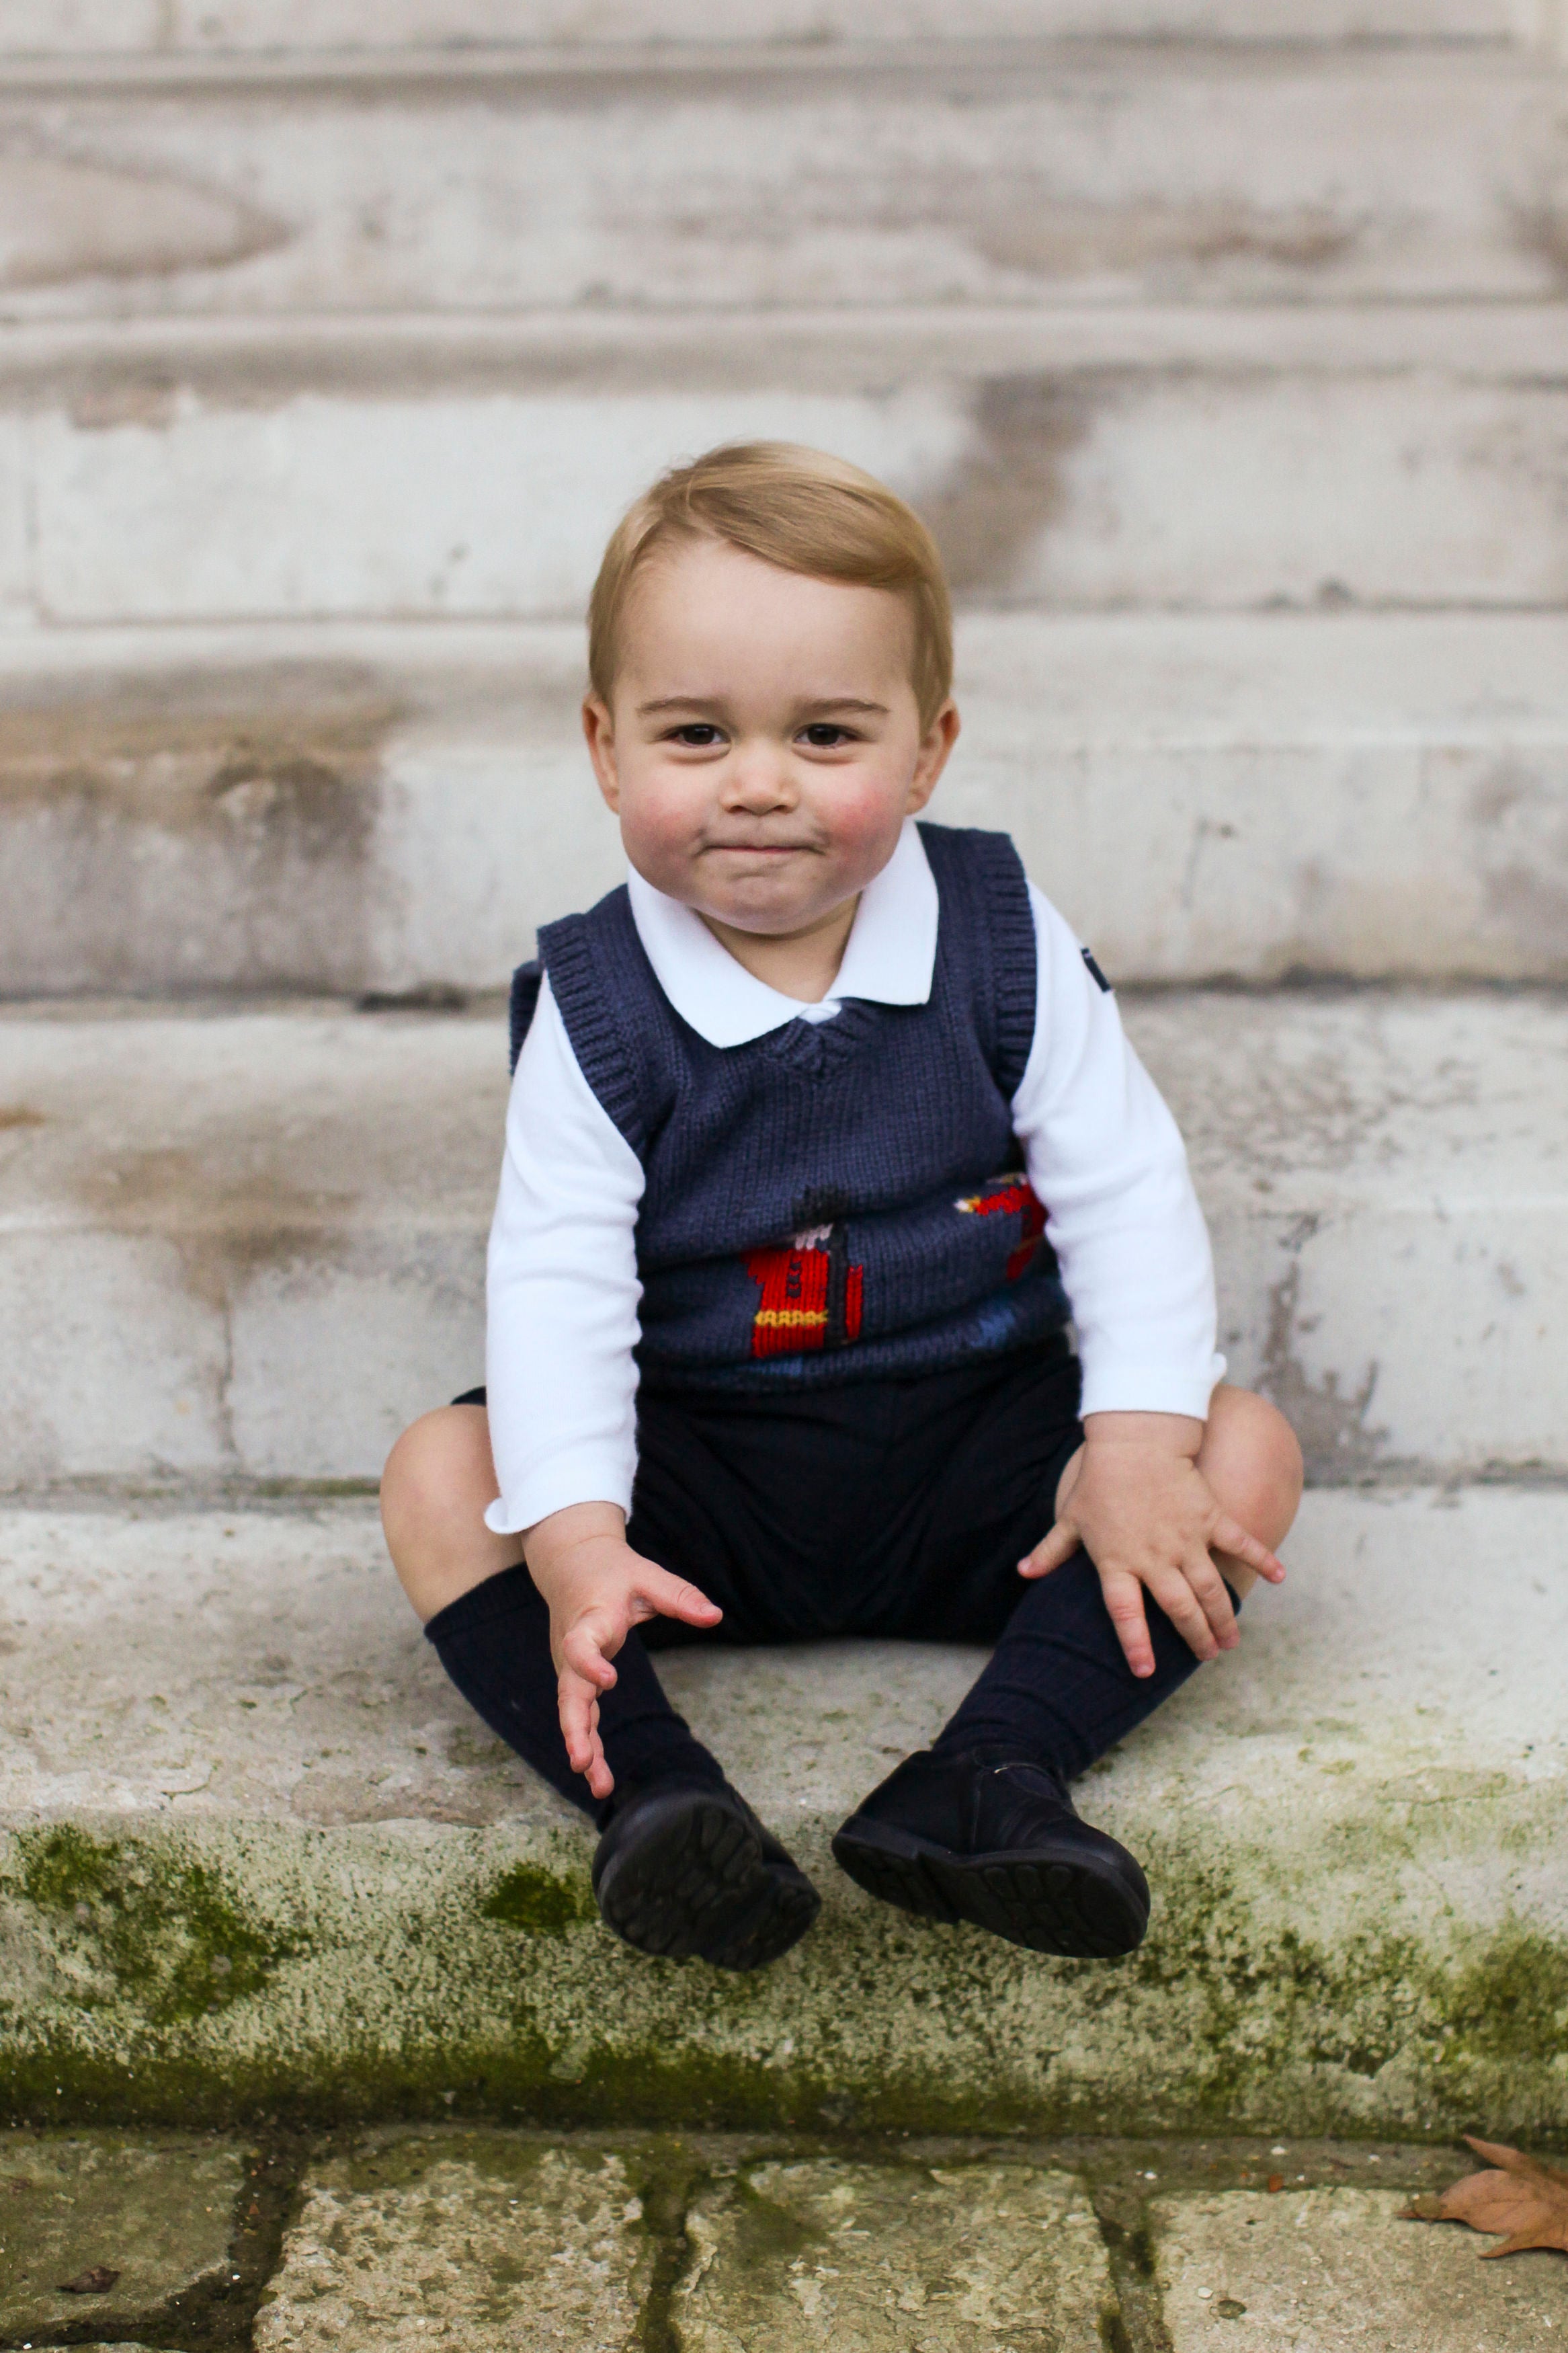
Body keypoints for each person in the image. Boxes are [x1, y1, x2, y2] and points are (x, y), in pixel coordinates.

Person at [380, 441, 1304, 1976]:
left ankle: (991, 1775)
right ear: (607, 752)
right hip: (705, 1475)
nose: (758, 783)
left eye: (823, 733)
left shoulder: (1001, 937)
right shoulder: (601, 1009)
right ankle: (662, 1807)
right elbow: (555, 1279)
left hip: (979, 1454)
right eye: (696, 734)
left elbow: (1125, 1183)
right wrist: (579, 1533)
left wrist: (1133, 1448)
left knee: (1245, 1445)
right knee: (440, 1475)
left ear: (929, 750)